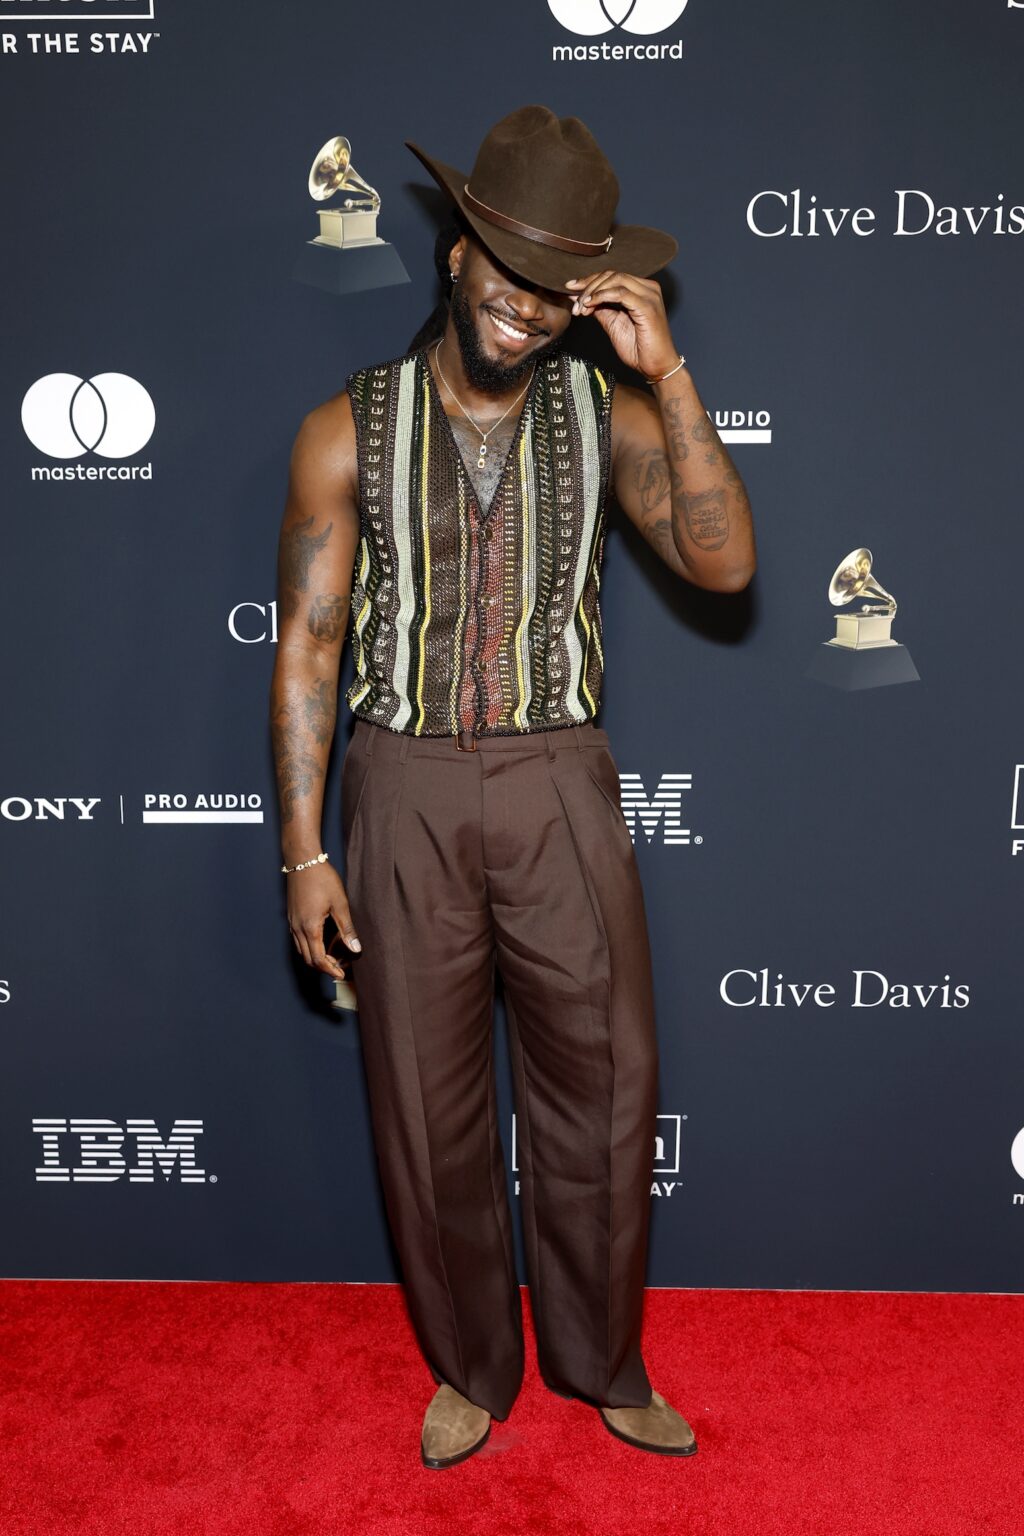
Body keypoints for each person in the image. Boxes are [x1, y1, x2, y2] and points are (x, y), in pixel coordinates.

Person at [269, 104, 756, 1470]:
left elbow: (726, 569)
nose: (527, 313)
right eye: (507, 278)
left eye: (558, 293)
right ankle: (473, 1367)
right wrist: (305, 851)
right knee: (427, 1109)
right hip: (405, 785)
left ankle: (603, 1362)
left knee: (604, 1086)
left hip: (559, 782)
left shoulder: (609, 416)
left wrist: (674, 381)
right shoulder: (339, 430)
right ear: (454, 258)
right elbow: (308, 645)